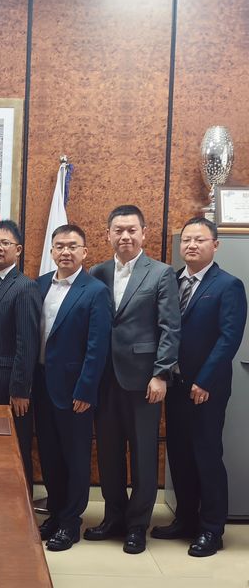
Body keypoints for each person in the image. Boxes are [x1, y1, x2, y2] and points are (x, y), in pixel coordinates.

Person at [85, 204, 180, 554]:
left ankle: (137, 525)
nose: (125, 236)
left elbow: (170, 328)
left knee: (142, 454)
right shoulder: (97, 272)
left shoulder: (161, 273)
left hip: (144, 381)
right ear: (108, 234)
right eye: (118, 230)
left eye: (131, 230)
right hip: (104, 379)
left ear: (143, 233)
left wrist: (161, 373)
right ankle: (113, 517)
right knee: (108, 452)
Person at [150, 217, 247, 557]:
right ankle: (186, 520)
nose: (191, 245)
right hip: (175, 384)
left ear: (215, 245)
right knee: (179, 455)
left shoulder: (228, 285)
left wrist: (204, 379)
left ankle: (211, 530)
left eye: (200, 240)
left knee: (206, 456)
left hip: (206, 387)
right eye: (187, 240)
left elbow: (228, 338)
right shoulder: (172, 280)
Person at [34, 224, 111, 551]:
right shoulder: (39, 285)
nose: (65, 252)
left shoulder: (95, 291)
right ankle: (55, 513)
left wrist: (86, 390)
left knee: (75, 457)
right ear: (52, 250)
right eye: (60, 246)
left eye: (72, 246)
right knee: (50, 455)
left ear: (84, 252)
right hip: (41, 385)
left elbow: (97, 346)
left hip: (75, 389)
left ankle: (70, 523)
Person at [0, 220, 41, 486]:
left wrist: (21, 390)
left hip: (10, 389)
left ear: (18, 249)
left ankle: (21, 504)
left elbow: (27, 343)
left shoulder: (25, 287)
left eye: (5, 243)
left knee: (16, 452)